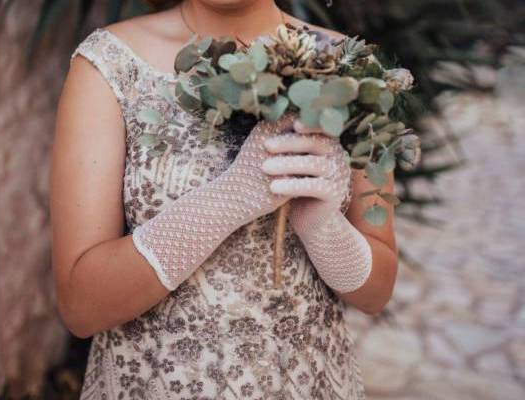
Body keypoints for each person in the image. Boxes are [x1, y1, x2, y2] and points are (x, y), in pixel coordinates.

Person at [50, 0, 398, 398]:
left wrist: (326, 230)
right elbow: (81, 307)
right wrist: (230, 199)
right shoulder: (109, 66)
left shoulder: (349, 73)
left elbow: (377, 293)